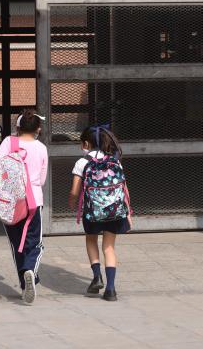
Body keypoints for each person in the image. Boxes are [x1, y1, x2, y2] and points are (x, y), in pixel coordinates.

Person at [0, 109, 48, 304]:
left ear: (17, 127)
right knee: (34, 243)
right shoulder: (41, 148)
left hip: (10, 203)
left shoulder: (9, 142)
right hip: (33, 201)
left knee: (16, 244)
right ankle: (30, 272)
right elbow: (42, 180)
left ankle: (23, 283)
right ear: (38, 128)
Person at [68, 124, 131, 302]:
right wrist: (128, 212)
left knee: (91, 239)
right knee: (109, 247)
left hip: (92, 211)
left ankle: (97, 277)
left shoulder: (82, 162)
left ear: (86, 144)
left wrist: (72, 202)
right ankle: (110, 289)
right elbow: (124, 188)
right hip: (114, 211)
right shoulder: (115, 160)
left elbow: (74, 190)